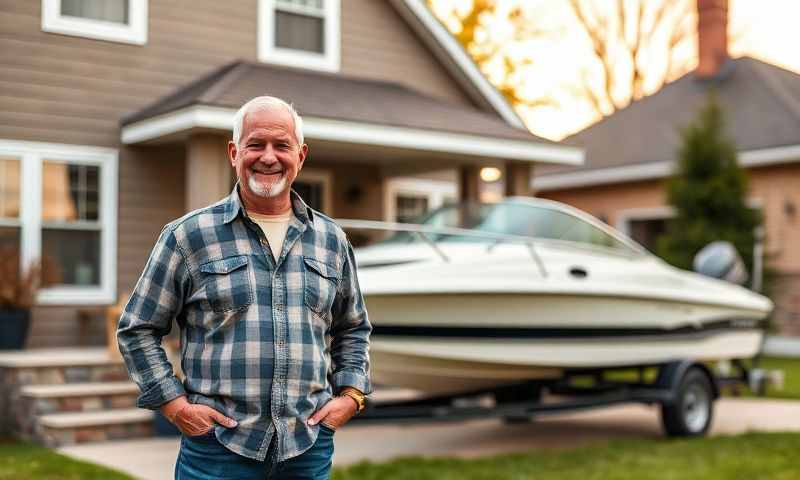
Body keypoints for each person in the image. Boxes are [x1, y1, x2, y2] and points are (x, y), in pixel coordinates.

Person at [117, 95, 371, 479]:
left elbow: (352, 327)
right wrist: (174, 405)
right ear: (234, 153)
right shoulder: (188, 236)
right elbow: (138, 328)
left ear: (300, 156)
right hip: (217, 450)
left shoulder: (332, 240)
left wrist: (351, 396)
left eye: (281, 145)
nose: (268, 157)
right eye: (256, 144)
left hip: (307, 447)